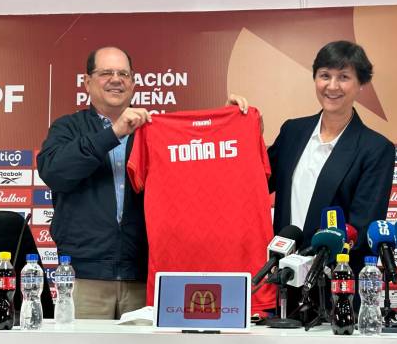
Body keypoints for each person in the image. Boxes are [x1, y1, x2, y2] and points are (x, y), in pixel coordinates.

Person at [37, 46, 248, 319]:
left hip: (146, 278)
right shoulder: (67, 127)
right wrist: (113, 133)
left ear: (134, 83)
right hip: (86, 278)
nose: (116, 79)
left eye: (123, 73)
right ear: (87, 82)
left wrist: (230, 124)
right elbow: (55, 172)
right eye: (106, 73)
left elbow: (202, 171)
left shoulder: (156, 130)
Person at [268, 40, 395, 273]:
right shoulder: (292, 132)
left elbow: (362, 226)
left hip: (334, 280)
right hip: (282, 275)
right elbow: (255, 182)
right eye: (325, 75)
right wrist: (235, 126)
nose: (332, 86)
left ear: (361, 84)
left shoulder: (375, 148)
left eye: (344, 77)